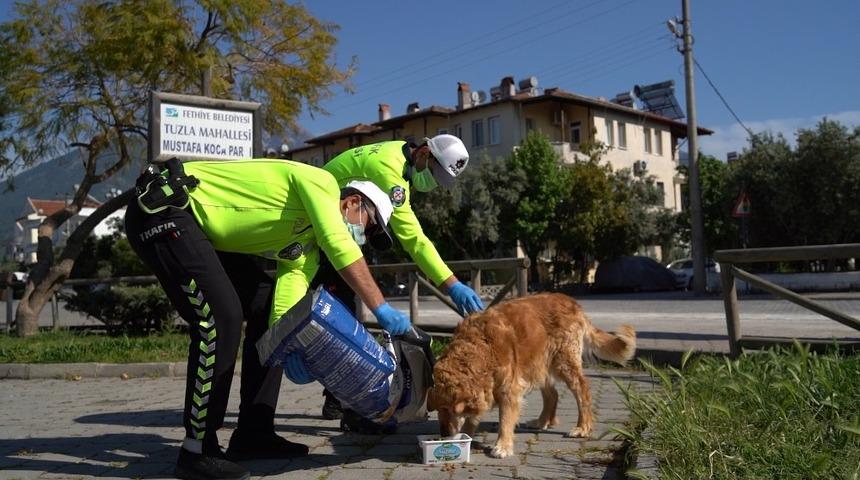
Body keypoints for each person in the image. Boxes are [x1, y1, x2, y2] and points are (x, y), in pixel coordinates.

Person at [125, 158, 409, 480]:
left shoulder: (304, 249)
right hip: (165, 207)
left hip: (198, 229)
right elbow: (339, 243)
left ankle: (253, 434)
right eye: (368, 226)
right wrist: (380, 307)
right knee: (221, 318)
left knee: (264, 307)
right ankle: (196, 450)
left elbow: (284, 310)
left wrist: (289, 349)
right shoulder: (321, 183)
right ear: (353, 201)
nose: (362, 236)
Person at [316, 134, 484, 425]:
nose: (432, 182)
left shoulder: (398, 157)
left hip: (332, 224)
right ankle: (348, 405)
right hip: (322, 227)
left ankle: (337, 401)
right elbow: (415, 241)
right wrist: (451, 283)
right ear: (423, 154)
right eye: (433, 173)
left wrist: (451, 283)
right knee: (342, 314)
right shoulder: (391, 174)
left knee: (346, 310)